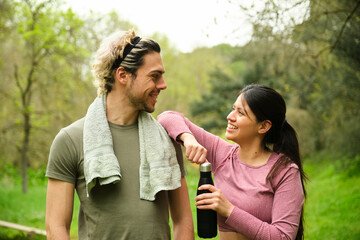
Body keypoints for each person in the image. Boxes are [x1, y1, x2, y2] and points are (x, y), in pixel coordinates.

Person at [45, 30, 194, 240]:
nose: (163, 85)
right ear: (123, 75)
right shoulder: (70, 140)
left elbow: (183, 220)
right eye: (154, 76)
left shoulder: (166, 141)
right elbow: (56, 227)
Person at [157, 84, 307, 240]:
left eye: (240, 113)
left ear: (263, 126)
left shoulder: (284, 170)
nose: (230, 116)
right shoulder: (221, 153)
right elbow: (167, 116)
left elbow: (283, 237)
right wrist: (188, 139)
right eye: (233, 108)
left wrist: (228, 210)